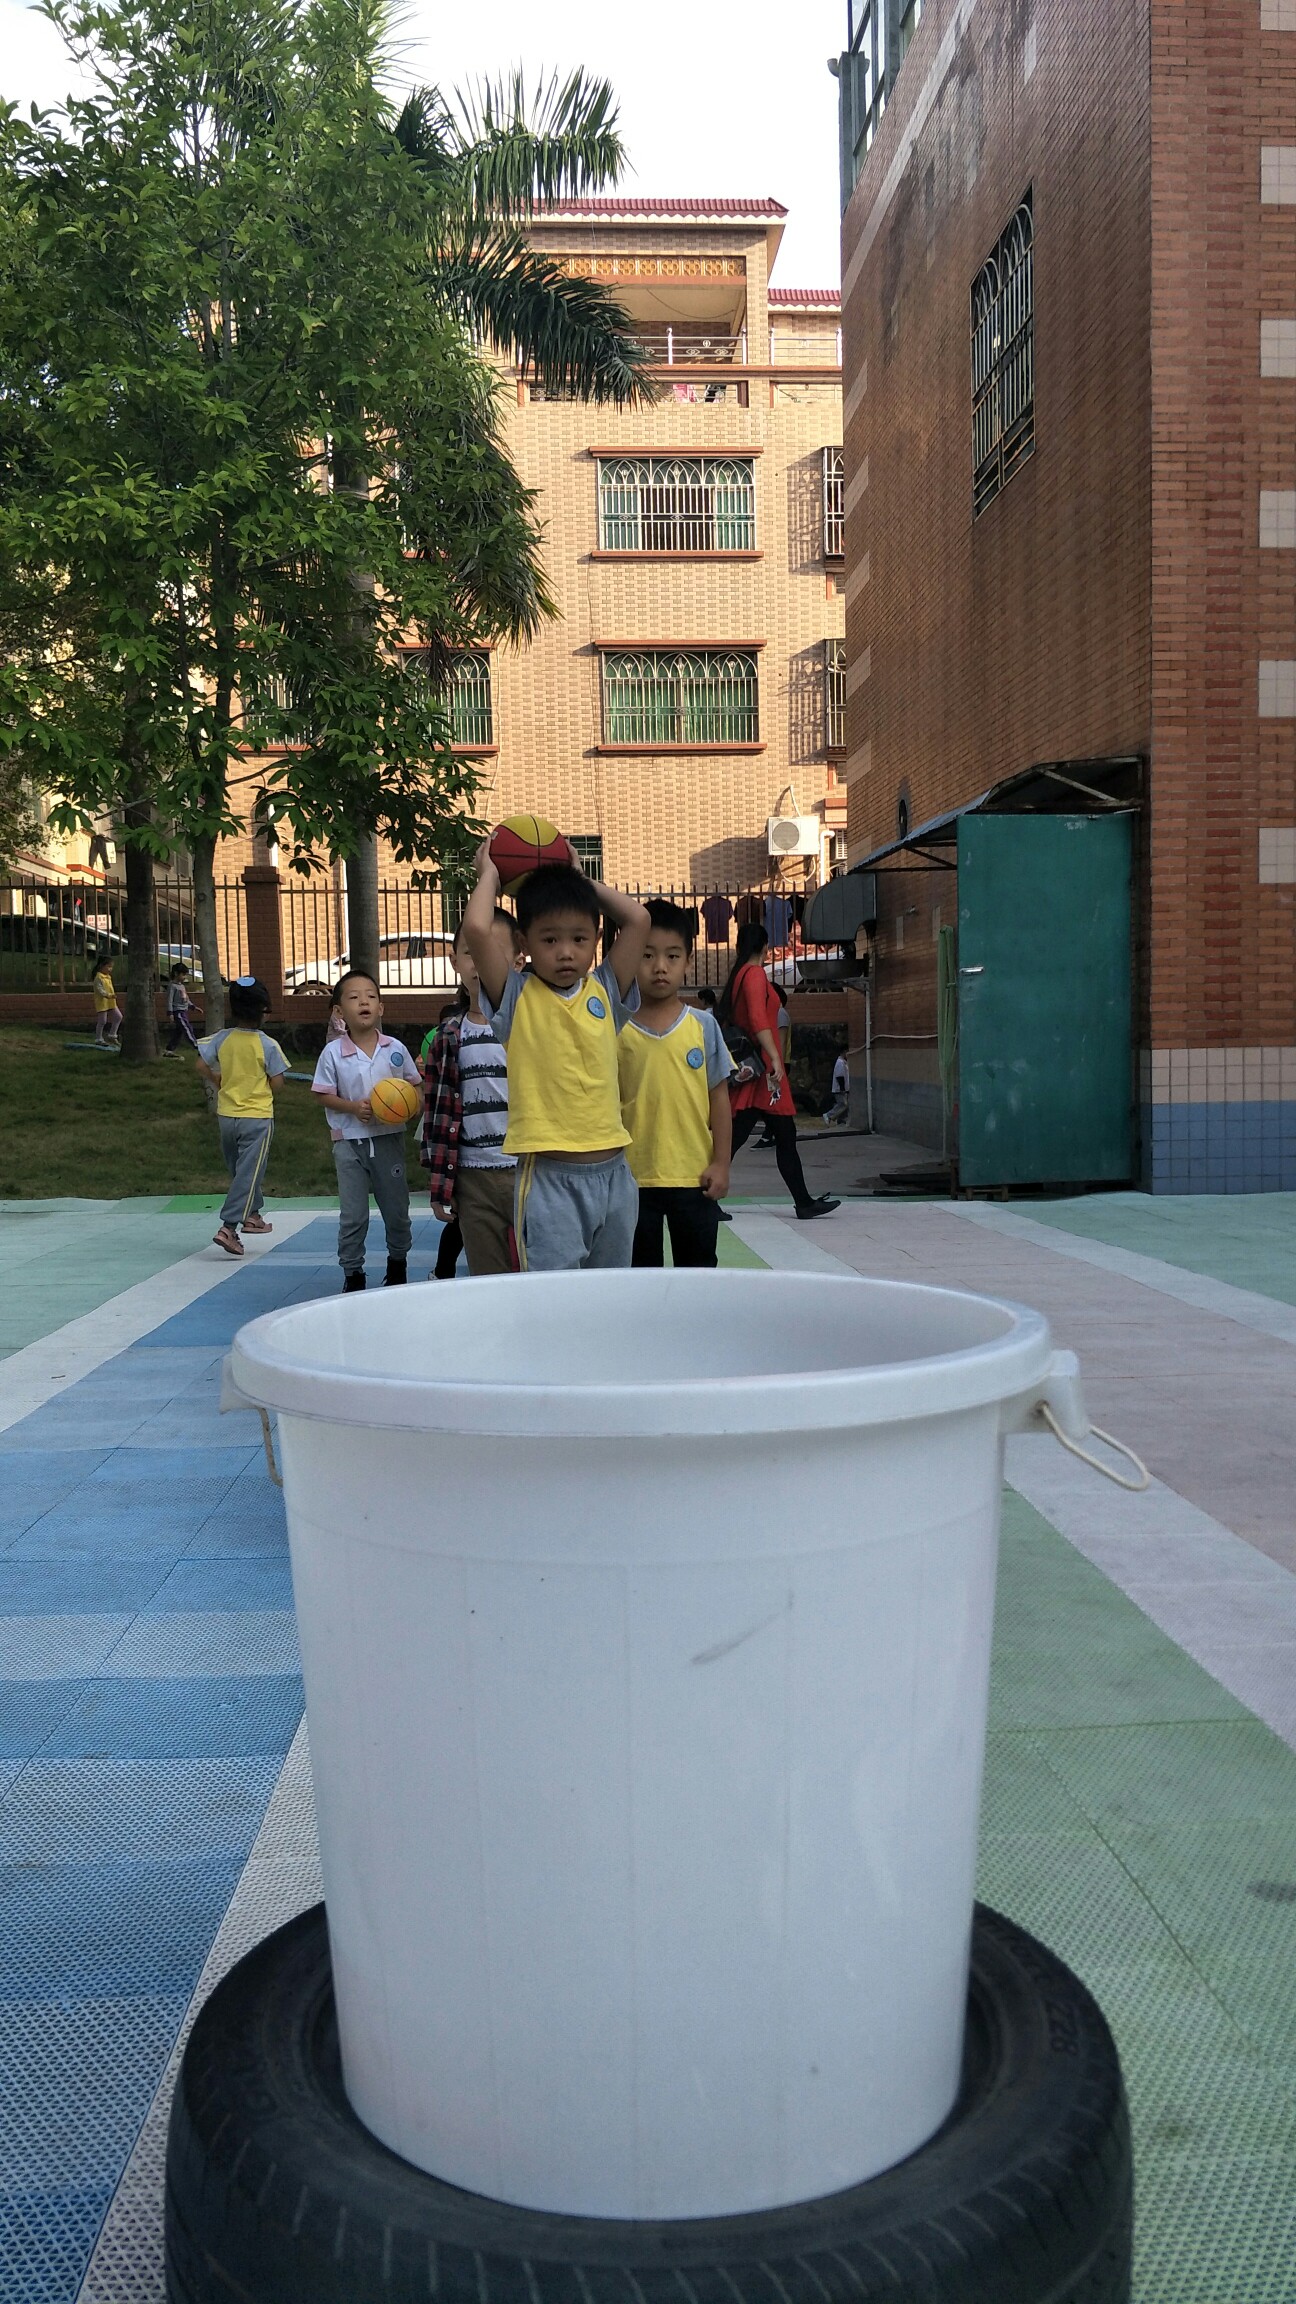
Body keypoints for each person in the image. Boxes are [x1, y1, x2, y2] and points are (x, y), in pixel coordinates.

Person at [463, 843, 650, 1271]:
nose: (566, 951)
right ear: (524, 943)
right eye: (550, 940)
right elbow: (476, 928)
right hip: (549, 1180)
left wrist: (579, 882)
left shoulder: (606, 991)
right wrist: (489, 874)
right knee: (553, 1296)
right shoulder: (514, 998)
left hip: (615, 1177)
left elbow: (638, 919)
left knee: (611, 1295)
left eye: (579, 939)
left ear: (596, 941)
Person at [619, 899, 733, 1268]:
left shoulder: (703, 1026)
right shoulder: (615, 1028)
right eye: (647, 955)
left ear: (688, 960)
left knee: (698, 1278)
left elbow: (719, 1100)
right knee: (639, 1281)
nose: (660, 967)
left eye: (672, 956)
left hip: (695, 1178)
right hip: (631, 1180)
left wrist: (721, 1164)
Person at [719, 922, 839, 1220]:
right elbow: (759, 1019)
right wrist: (775, 1057)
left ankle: (803, 1201)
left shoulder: (738, 976)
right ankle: (803, 1202)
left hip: (756, 1070)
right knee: (763, 1136)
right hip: (764, 1070)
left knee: (753, 1135)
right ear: (765, 946)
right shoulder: (754, 974)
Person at [311, 970, 421, 1291]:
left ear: (381, 1008)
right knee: (354, 1215)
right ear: (339, 1011)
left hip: (389, 1140)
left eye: (371, 996)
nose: (364, 1002)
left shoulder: (395, 1048)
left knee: (397, 1210)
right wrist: (352, 1107)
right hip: (349, 1143)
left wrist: (412, 1105)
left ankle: (397, 1264)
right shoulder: (333, 1053)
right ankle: (353, 1274)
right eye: (354, 997)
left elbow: (415, 1086)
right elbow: (321, 1093)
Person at [422, 913, 519, 1278]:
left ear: (519, 960)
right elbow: (436, 1115)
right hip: (472, 1177)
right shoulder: (448, 1036)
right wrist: (439, 1187)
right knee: (487, 1276)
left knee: (541, 1272)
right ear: (454, 962)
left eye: (492, 950)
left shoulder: (532, 1025)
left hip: (530, 1171)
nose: (481, 962)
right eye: (470, 952)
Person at [196, 976, 288, 1256]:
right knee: (249, 1172)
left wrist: (217, 1079)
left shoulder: (222, 1038)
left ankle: (253, 1215)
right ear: (263, 1011)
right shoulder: (267, 1044)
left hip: (227, 1117)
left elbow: (200, 1064)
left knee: (242, 1171)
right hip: (257, 1118)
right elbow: (278, 1083)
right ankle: (228, 1227)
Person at [163, 961, 200, 1056]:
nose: (185, 977)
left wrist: (193, 1006)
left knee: (178, 1032)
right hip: (178, 1012)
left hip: (184, 1011)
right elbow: (169, 1000)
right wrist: (170, 1013)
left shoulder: (182, 986)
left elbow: (186, 999)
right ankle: (196, 1045)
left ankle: (169, 1049)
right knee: (187, 1027)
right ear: (176, 974)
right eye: (183, 975)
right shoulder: (172, 986)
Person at [92, 954, 121, 1046]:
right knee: (102, 1021)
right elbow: (100, 990)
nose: (110, 969)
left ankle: (112, 1035)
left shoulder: (108, 977)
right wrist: (108, 995)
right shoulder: (98, 978)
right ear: (102, 966)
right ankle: (98, 1039)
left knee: (118, 1017)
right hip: (102, 1002)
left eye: (111, 967)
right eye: (108, 966)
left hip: (111, 1002)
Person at [825, 1050, 850, 1125]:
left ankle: (842, 1121)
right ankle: (828, 1115)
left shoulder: (844, 1062)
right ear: (844, 1052)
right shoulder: (840, 1062)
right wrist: (842, 1089)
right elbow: (840, 1076)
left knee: (845, 1106)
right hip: (839, 1089)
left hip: (843, 1088)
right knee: (843, 1104)